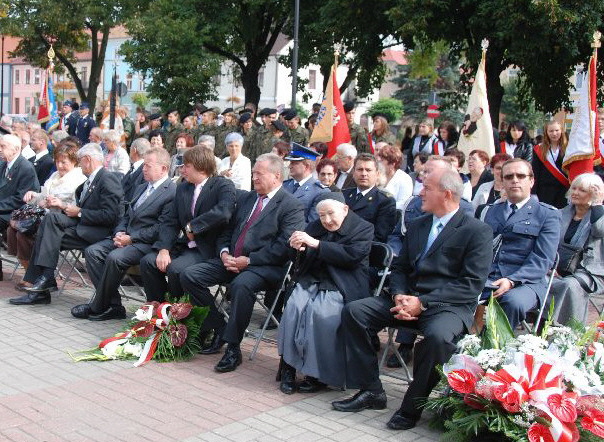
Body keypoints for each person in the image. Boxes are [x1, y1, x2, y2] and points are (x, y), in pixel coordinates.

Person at [332, 167, 492, 431]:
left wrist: (423, 303)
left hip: (447, 307)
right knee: (355, 311)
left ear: (447, 194)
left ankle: (412, 407)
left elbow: (470, 285)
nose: (420, 193)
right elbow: (401, 268)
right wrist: (399, 295)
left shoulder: (476, 231)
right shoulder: (418, 225)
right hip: (408, 298)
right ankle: (371, 390)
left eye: (427, 188)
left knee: (438, 339)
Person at [179, 153, 305, 372]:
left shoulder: (291, 205)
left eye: (259, 173)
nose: (254, 177)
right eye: (253, 173)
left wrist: (250, 260)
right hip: (232, 261)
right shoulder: (247, 198)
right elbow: (227, 230)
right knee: (189, 275)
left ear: (276, 176)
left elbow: (283, 247)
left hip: (265, 267)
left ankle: (233, 348)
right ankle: (219, 327)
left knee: (241, 285)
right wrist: (224, 253)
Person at [277, 194, 374, 394]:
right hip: (313, 278)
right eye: (322, 215)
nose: (327, 220)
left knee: (320, 313)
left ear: (345, 209)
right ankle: (287, 367)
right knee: (294, 306)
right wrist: (296, 247)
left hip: (344, 282)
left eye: (331, 214)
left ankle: (317, 374)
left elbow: (352, 257)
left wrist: (316, 244)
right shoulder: (315, 226)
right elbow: (297, 257)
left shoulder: (363, 228)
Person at [9, 143, 123, 305]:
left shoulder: (107, 178)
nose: (79, 164)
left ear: (87, 160)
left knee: (45, 233)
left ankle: (41, 285)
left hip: (99, 232)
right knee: (48, 225)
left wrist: (79, 212)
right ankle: (44, 282)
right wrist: (65, 207)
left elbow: (110, 216)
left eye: (80, 161)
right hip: (84, 226)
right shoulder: (92, 179)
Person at [71, 148, 177, 321]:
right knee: (93, 251)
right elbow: (126, 215)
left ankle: (98, 306)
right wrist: (120, 231)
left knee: (115, 258)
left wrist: (131, 238)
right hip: (126, 237)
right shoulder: (142, 187)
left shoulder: (171, 191)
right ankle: (113, 305)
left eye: (148, 166)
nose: (143, 169)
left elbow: (161, 227)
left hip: (146, 243)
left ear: (163, 169)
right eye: (143, 165)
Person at [139, 146, 236, 304]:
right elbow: (170, 221)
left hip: (207, 247)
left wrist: (193, 227)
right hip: (185, 246)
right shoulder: (183, 187)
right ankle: (161, 311)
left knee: (176, 268)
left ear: (201, 167)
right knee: (149, 262)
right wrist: (164, 249)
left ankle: (182, 316)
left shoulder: (223, 186)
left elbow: (223, 212)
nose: (182, 170)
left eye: (186, 166)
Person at [480, 158, 561, 329]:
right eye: (509, 177)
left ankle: (492, 350)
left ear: (531, 181)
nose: (515, 180)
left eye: (521, 176)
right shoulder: (490, 211)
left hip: (526, 283)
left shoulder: (547, 214)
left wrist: (511, 280)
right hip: (488, 277)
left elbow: (542, 260)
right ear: (502, 182)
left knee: (513, 302)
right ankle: (459, 345)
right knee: (453, 292)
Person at [8, 141, 86, 284]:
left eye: (64, 162)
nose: (59, 165)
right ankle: (30, 273)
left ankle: (36, 277)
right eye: (57, 161)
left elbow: (78, 207)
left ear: (74, 161)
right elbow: (43, 196)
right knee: (13, 230)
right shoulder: (55, 175)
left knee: (24, 234)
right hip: (45, 216)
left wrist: (59, 204)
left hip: (63, 221)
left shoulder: (80, 179)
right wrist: (34, 196)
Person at [550, 173, 604, 325]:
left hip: (591, 272)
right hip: (556, 268)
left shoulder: (601, 214)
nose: (575, 193)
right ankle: (541, 325)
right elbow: (550, 243)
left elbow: (600, 230)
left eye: (582, 190)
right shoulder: (560, 213)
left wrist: (597, 204)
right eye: (573, 188)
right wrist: (549, 267)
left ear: (594, 194)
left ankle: (566, 331)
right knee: (535, 281)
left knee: (569, 285)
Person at [342, 153, 397, 243]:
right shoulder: (343, 194)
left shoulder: (385, 201)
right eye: (360, 169)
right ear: (353, 173)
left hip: (362, 249)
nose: (364, 174)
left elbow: (380, 237)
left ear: (377, 174)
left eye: (368, 170)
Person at [0, 134, 40, 233]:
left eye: (3, 146)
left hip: (12, 211)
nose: (0, 149)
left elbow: (20, 198)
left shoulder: (26, 168)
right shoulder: (4, 164)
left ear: (16, 149)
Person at [282, 145, 330, 223]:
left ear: (307, 166)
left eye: (294, 163)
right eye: (290, 163)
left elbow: (312, 224)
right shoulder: (284, 185)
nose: (289, 166)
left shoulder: (320, 192)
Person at [532, 120, 569, 208]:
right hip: (544, 191)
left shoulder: (569, 148)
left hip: (564, 190)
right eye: (551, 131)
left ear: (562, 131)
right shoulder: (539, 149)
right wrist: (533, 192)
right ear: (546, 133)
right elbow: (535, 172)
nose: (554, 133)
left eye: (557, 130)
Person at [377, 145, 413, 212]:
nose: (378, 162)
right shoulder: (378, 175)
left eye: (382, 160)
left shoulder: (404, 179)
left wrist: (382, 207)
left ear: (392, 164)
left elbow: (403, 203)